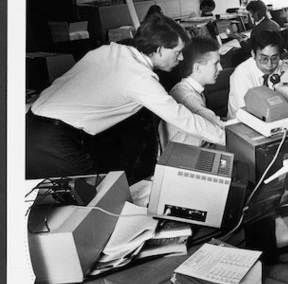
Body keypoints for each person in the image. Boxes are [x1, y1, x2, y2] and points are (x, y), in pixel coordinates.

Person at [26, 14, 226, 179]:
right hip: (54, 138)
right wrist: (226, 137)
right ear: (159, 49)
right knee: (97, 202)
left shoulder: (111, 51)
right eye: (178, 52)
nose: (182, 58)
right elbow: (181, 117)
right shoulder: (139, 77)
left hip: (30, 125)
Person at [160, 36, 227, 147]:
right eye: (216, 63)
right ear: (197, 68)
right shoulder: (186, 96)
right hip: (183, 159)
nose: (220, 68)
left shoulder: (191, 90)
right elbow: (216, 126)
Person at [227, 29, 288, 118]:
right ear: (253, 54)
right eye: (264, 59)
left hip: (276, 118)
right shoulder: (242, 74)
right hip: (243, 124)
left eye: (274, 58)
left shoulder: (282, 67)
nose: (269, 65)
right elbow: (248, 111)